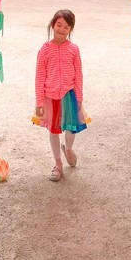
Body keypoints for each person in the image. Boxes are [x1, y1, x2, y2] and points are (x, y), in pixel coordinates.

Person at [35, 9, 87, 182]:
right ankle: (58, 165)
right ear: (52, 25)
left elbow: (78, 74)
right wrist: (39, 101)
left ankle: (69, 149)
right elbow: (40, 76)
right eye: (59, 25)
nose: (62, 29)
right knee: (54, 130)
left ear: (70, 29)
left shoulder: (74, 49)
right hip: (51, 97)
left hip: (69, 94)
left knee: (71, 129)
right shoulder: (44, 50)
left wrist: (79, 97)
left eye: (66, 26)